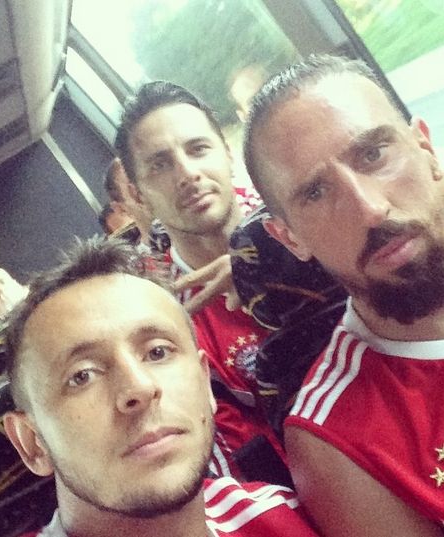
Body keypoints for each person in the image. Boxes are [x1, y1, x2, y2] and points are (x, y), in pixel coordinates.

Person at [243, 53, 444, 537]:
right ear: (289, 237)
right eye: (316, 193)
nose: (369, 208)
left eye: (373, 155)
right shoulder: (336, 441)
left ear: (425, 147)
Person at [2, 237, 318, 537]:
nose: (140, 388)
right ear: (32, 442)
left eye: (157, 352)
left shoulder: (279, 513)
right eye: (82, 375)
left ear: (205, 384)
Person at [114, 81, 288, 482]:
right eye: (160, 164)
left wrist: (261, 259)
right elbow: (234, 460)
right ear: (138, 195)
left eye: (198, 149)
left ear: (227, 153)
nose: (187, 174)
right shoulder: (160, 316)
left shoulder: (299, 216)